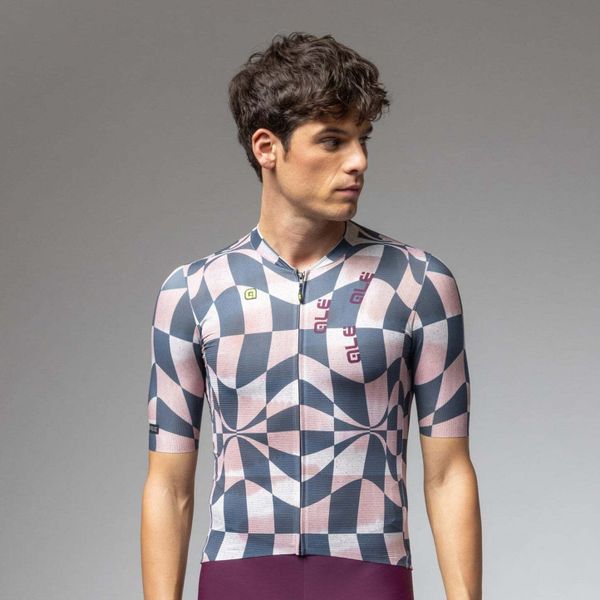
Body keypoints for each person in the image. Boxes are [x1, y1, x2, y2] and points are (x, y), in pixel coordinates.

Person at [141, 32, 482, 600]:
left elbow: (448, 474)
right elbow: (168, 486)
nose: (358, 161)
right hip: (237, 574)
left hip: (370, 575)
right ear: (267, 148)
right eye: (332, 140)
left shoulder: (419, 283)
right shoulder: (193, 293)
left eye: (362, 139)